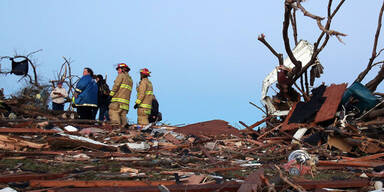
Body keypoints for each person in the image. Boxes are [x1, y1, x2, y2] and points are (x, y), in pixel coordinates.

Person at [109, 63, 133, 127]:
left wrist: (110, 95)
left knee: (113, 112)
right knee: (123, 116)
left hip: (117, 101)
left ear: (123, 69)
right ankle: (124, 130)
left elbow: (116, 86)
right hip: (125, 103)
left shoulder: (121, 75)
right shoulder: (130, 79)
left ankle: (116, 128)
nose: (118, 71)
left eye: (119, 69)